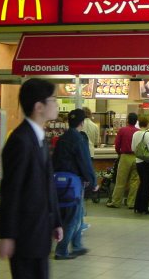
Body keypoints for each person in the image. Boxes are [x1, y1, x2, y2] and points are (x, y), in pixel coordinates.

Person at [0, 78, 63, 279]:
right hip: (25, 234)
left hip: (40, 230)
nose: (57, 104)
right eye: (53, 99)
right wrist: (7, 235)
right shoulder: (20, 141)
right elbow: (11, 191)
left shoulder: (40, 138)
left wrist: (56, 221)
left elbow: (47, 184)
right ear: (39, 107)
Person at [52, 109, 97, 260]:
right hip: (73, 183)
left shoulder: (62, 138)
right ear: (82, 123)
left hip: (58, 181)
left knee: (75, 215)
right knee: (73, 217)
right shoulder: (79, 139)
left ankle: (77, 245)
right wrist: (93, 181)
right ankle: (61, 250)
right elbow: (85, 162)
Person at [107, 113, 140, 209]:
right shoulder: (138, 132)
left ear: (127, 120)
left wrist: (119, 153)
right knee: (134, 181)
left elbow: (117, 144)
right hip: (136, 157)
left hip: (125, 156)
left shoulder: (122, 130)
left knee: (121, 180)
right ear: (136, 121)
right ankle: (131, 203)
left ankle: (116, 202)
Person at [131, 116, 149, 214]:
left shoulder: (135, 133)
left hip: (138, 161)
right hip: (147, 162)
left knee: (142, 183)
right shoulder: (148, 134)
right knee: (147, 185)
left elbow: (132, 148)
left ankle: (137, 206)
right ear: (148, 123)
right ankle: (144, 207)